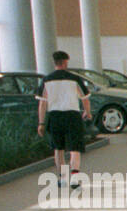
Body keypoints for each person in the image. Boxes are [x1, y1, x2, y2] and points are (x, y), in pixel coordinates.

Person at [36, 49, 91, 187]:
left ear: (54, 63)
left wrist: (41, 123)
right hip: (72, 115)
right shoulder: (74, 79)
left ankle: (62, 178)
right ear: (66, 62)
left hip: (54, 116)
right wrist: (87, 112)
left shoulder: (46, 80)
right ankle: (74, 178)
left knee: (58, 148)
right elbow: (85, 98)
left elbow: (42, 103)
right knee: (75, 148)